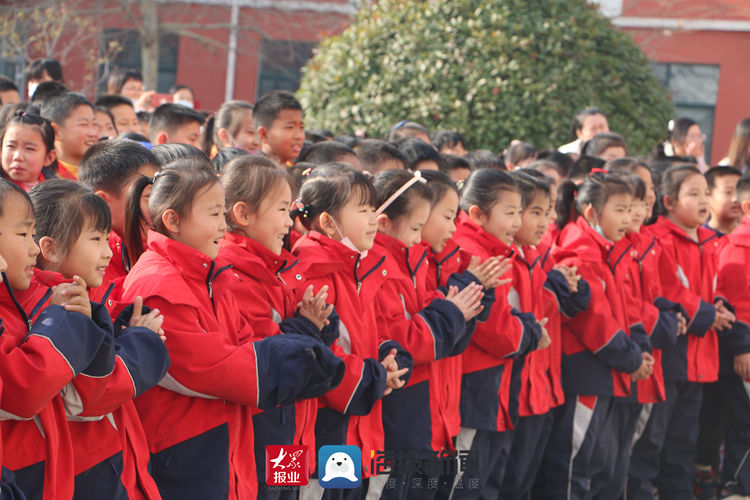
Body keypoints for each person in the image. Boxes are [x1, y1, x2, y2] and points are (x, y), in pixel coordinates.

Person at [121, 159, 345, 499]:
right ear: (172, 220)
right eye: (214, 214)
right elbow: (219, 365)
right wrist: (314, 352)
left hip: (273, 421)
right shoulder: (170, 281)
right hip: (204, 443)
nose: (289, 221)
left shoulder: (220, 272)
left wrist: (309, 334)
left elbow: (252, 343)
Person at [29, 179, 170, 500]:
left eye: (108, 238)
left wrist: (125, 328)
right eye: (96, 239)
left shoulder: (93, 297)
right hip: (86, 469)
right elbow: (87, 397)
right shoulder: (51, 310)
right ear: (49, 248)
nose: (108, 252)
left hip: (117, 459)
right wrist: (141, 341)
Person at [218, 155, 341, 498]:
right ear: (242, 214)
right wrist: (308, 326)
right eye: (281, 209)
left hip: (290, 427)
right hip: (264, 430)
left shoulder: (271, 268)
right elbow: (268, 355)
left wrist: (315, 323)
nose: (290, 222)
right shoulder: (235, 275)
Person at [291, 163, 412, 500]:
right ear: (328, 222)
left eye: (374, 208)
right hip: (325, 425)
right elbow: (321, 355)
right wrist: (373, 378)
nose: (374, 218)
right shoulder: (310, 273)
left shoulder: (362, 267)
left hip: (361, 418)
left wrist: (390, 361)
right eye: (363, 210)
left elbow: (377, 331)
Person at [372, 169, 491, 499]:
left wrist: (456, 308)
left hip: (434, 411)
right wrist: (452, 311)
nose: (453, 229)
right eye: (415, 227)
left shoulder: (414, 259)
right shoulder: (379, 267)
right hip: (405, 415)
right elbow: (402, 345)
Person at [541, 171, 653, 499]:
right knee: (573, 463)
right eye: (619, 209)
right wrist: (631, 357)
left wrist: (638, 347)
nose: (629, 216)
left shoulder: (607, 248)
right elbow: (595, 321)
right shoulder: (581, 250)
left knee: (591, 460)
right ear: (591, 212)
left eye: (632, 207)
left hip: (603, 369)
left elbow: (625, 308)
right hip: (585, 370)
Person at [628, 165, 737, 499]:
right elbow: (669, 289)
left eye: (706, 192)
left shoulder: (710, 240)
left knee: (684, 442)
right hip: (670, 355)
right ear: (669, 201)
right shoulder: (659, 238)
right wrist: (706, 314)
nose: (703, 200)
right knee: (652, 440)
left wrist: (717, 305)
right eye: (693, 193)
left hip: (701, 358)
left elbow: (713, 284)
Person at [0, 179, 110, 499]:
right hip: (24, 472)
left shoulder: (41, 298)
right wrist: (60, 321)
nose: (33, 247)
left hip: (58, 469)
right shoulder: (43, 305)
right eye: (23, 234)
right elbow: (21, 389)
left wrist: (86, 322)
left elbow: (80, 398)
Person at [451, 169, 545, 498]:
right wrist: (531, 333)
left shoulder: (493, 248)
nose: (517, 222)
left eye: (519, 211)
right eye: (510, 213)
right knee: (464, 483)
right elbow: (494, 329)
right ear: (477, 213)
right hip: (474, 383)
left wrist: (527, 328)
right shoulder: (470, 251)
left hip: (493, 384)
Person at [497, 171, 590, 499]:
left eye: (548, 211)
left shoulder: (536, 257)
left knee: (524, 481)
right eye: (535, 212)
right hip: (516, 393)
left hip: (541, 390)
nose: (546, 220)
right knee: (506, 482)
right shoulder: (503, 262)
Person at [714, 175, 750, 498]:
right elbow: (734, 305)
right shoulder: (736, 248)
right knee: (744, 425)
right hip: (746, 355)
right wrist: (743, 348)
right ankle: (737, 487)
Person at [78, 140, 160, 282]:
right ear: (103, 202)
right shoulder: (87, 264)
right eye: (149, 196)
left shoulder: (156, 247)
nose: (159, 207)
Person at [40, 92, 98, 179]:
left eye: (94, 124)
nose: (93, 133)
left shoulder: (102, 174)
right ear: (56, 130)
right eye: (83, 124)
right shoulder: (40, 175)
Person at [1, 110, 58, 190]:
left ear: (49, 157)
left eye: (29, 148)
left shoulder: (56, 193)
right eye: (11, 146)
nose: (18, 157)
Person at [253, 90, 305, 167]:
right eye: (290, 127)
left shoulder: (296, 170)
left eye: (301, 127)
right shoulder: (251, 173)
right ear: (263, 134)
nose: (299, 136)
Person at [705, 166, 742, 237]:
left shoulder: (746, 234)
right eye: (728, 192)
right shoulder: (700, 238)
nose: (735, 199)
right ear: (708, 196)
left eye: (738, 191)